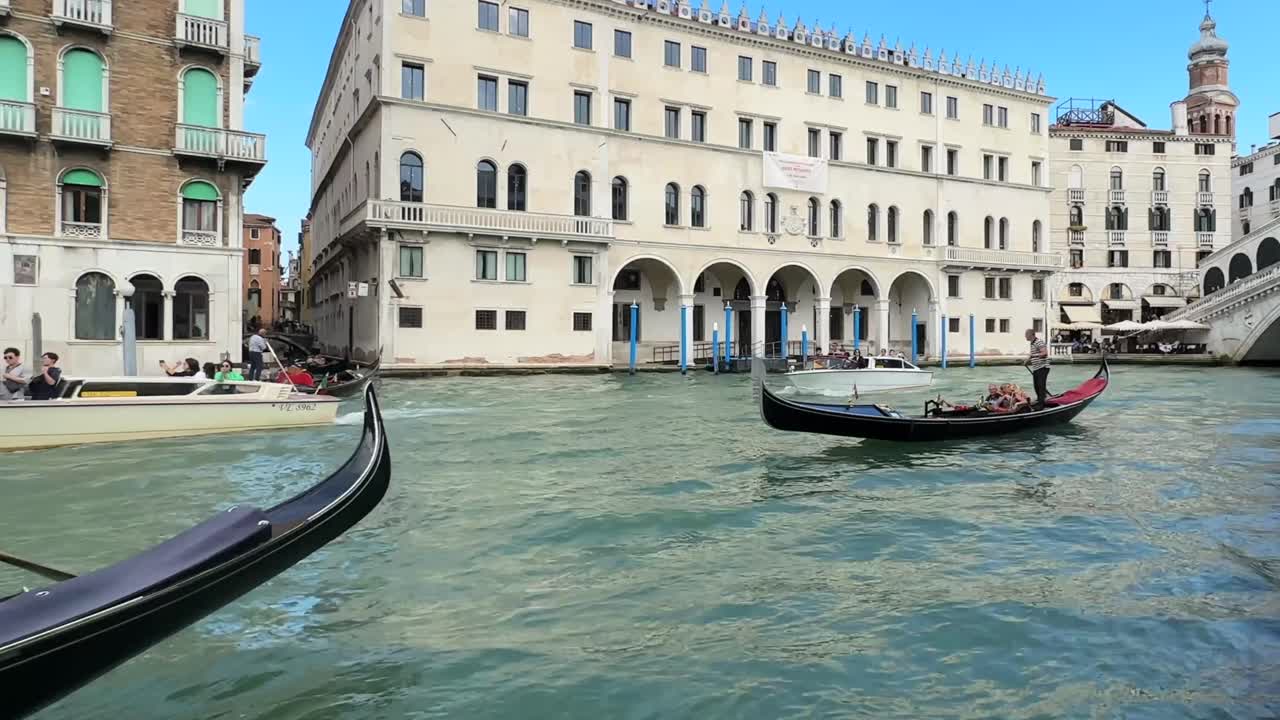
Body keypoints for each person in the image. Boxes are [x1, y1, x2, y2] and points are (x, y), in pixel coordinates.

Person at [1025, 328, 1050, 409]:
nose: (1025, 336)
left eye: (1026, 335)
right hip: (1036, 368)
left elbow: (1044, 353)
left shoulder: (1039, 342)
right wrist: (1027, 361)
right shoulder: (1032, 343)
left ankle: (1041, 404)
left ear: (1031, 335)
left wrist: (1033, 356)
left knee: (1041, 385)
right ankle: (1040, 400)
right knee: (1036, 386)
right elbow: (1034, 354)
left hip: (1043, 367)